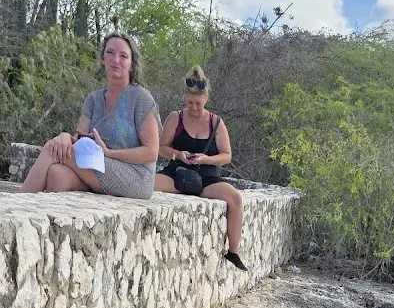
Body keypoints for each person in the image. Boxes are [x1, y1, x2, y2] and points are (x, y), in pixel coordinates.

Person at [22, 32, 160, 199]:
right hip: (97, 167)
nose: (116, 59)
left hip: (135, 176)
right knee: (57, 175)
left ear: (131, 64)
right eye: (110, 52)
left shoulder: (141, 98)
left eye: (123, 56)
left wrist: (109, 153)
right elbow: (79, 139)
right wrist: (65, 137)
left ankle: (14, 211)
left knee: (52, 150)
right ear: (102, 58)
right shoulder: (93, 100)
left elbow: (151, 153)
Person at [156, 66, 247, 271]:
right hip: (177, 172)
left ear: (206, 98)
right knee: (144, 186)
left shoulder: (216, 122)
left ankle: (233, 251)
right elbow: (160, 147)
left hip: (207, 176)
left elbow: (226, 156)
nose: (194, 107)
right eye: (189, 102)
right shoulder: (176, 117)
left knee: (235, 199)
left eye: (197, 103)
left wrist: (206, 159)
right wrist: (178, 154)